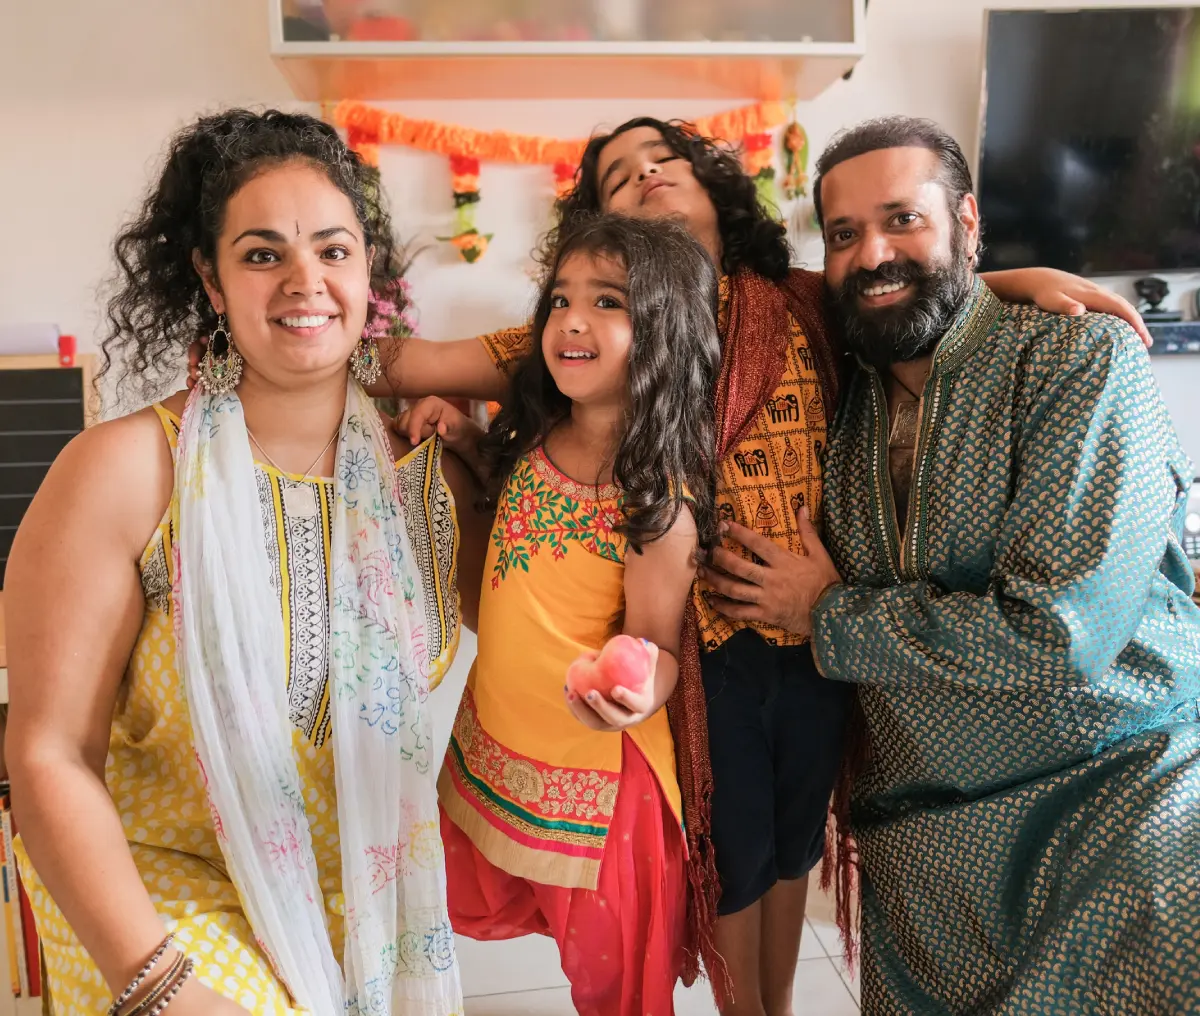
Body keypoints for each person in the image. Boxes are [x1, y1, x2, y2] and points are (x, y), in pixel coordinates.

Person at [183, 115, 1152, 1014]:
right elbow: (409, 363)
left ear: (717, 190)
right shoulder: (592, 332)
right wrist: (270, 337)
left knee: (791, 846)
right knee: (731, 857)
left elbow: (902, 289)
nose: (646, 175)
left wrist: (1011, 281)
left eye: (665, 159)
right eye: (619, 175)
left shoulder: (806, 303)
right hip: (705, 647)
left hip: (822, 642)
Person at [701, 115, 1200, 1014]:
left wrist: (827, 613)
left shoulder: (1079, 360)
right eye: (845, 234)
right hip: (924, 847)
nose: (872, 254)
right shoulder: (838, 387)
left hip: (1115, 794)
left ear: (967, 222)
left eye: (903, 219)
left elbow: (1062, 633)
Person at [4, 109, 486, 1016]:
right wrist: (162, 986)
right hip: (160, 903)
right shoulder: (126, 472)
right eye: (264, 254)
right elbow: (49, 753)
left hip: (367, 911)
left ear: (368, 274)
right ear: (211, 280)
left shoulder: (430, 479)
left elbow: (541, 661)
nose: (306, 280)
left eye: (334, 250)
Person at [402, 213, 720, 1016]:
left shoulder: (657, 499)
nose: (572, 321)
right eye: (560, 300)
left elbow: (657, 646)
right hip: (509, 741)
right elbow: (515, 516)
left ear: (663, 332)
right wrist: (466, 443)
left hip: (602, 789)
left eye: (608, 301)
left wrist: (635, 693)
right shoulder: (541, 430)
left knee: (613, 994)